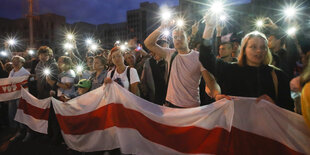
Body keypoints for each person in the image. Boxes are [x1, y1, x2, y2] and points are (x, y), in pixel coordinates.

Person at [199, 14, 294, 111]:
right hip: (235, 125)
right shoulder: (230, 71)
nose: (259, 51)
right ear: (244, 50)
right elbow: (205, 57)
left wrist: (275, 106)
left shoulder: (277, 76)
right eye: (253, 47)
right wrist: (209, 27)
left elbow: (289, 109)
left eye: (263, 47)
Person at [144, 21, 220, 108]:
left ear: (188, 38)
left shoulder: (199, 57)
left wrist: (217, 95)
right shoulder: (169, 53)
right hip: (171, 106)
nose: (178, 39)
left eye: (181, 36)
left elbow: (210, 81)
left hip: (191, 108)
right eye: (175, 37)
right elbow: (148, 43)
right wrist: (162, 28)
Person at [141, 40, 168, 105]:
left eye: (168, 48)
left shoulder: (169, 61)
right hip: (153, 98)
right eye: (164, 48)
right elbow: (143, 80)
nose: (167, 51)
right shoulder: (148, 62)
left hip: (167, 99)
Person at [8, 56, 30, 128]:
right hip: (12, 95)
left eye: (17, 61)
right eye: (13, 61)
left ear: (22, 63)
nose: (15, 63)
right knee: (12, 112)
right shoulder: (12, 71)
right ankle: (14, 127)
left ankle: (22, 128)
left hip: (20, 96)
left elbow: (26, 84)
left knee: (20, 112)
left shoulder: (25, 73)